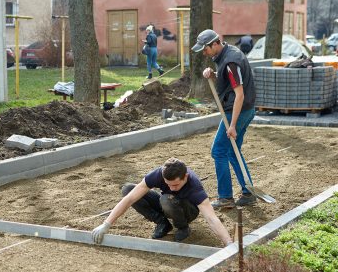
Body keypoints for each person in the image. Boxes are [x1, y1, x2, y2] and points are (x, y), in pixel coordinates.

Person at [91, 158, 233, 246]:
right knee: (128, 189)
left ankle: (182, 227)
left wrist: (228, 243)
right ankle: (163, 223)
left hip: (187, 210)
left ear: (185, 177)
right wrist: (106, 224)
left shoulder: (194, 186)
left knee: (167, 198)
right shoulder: (157, 174)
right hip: (167, 204)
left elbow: (211, 218)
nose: (171, 187)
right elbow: (129, 199)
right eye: (167, 184)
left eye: (176, 185)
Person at [192, 29, 257, 209]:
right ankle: (248, 192)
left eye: (205, 49)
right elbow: (229, 80)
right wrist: (214, 75)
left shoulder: (230, 62)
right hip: (246, 109)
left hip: (238, 110)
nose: (204, 53)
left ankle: (225, 197)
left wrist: (233, 125)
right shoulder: (227, 56)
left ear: (215, 44)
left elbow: (240, 94)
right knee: (231, 151)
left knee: (219, 151)